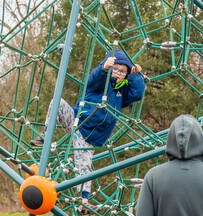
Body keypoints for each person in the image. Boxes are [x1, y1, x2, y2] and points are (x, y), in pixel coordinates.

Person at [36, 50, 145, 206]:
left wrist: (135, 76)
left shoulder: (122, 92)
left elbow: (137, 94)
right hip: (77, 121)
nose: (119, 73)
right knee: (56, 102)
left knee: (84, 165)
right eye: (116, 69)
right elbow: (94, 79)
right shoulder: (99, 84)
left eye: (123, 71)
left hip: (89, 137)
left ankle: (84, 200)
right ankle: (45, 135)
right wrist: (104, 68)